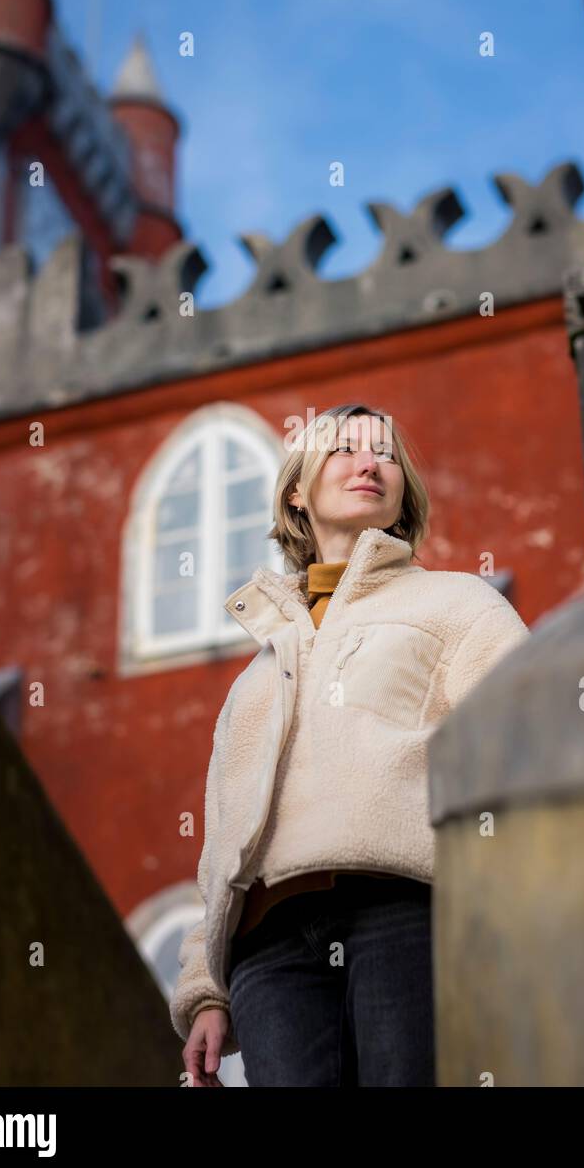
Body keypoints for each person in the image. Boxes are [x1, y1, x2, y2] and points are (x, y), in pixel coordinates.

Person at [171, 402, 528, 1086]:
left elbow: (523, 751)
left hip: (404, 915)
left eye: (386, 454)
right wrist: (206, 991)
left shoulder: (460, 605)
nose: (370, 462)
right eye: (344, 449)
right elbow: (222, 846)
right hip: (268, 954)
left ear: (402, 495)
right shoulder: (260, 670)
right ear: (297, 493)